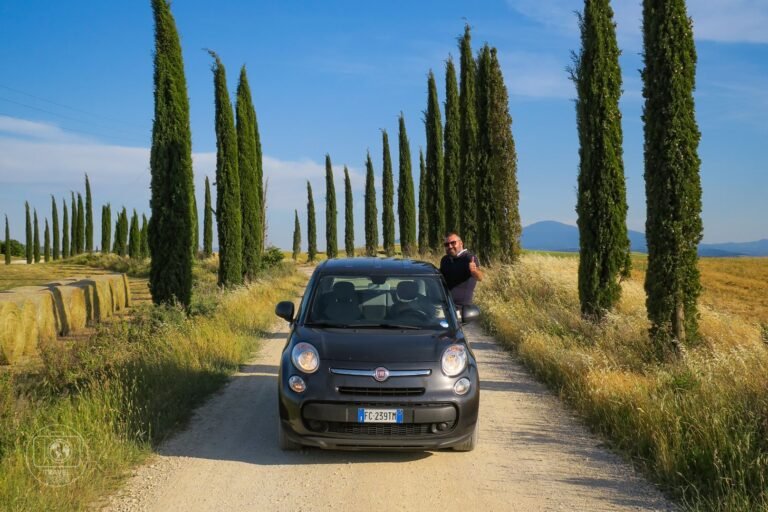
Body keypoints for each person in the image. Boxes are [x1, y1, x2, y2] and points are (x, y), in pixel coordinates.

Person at [439, 232, 483, 306]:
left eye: (453, 243)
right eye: (447, 244)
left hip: (461, 308)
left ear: (461, 243)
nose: (450, 246)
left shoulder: (468, 258)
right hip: (444, 305)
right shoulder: (445, 259)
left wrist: (474, 271)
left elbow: (480, 277)